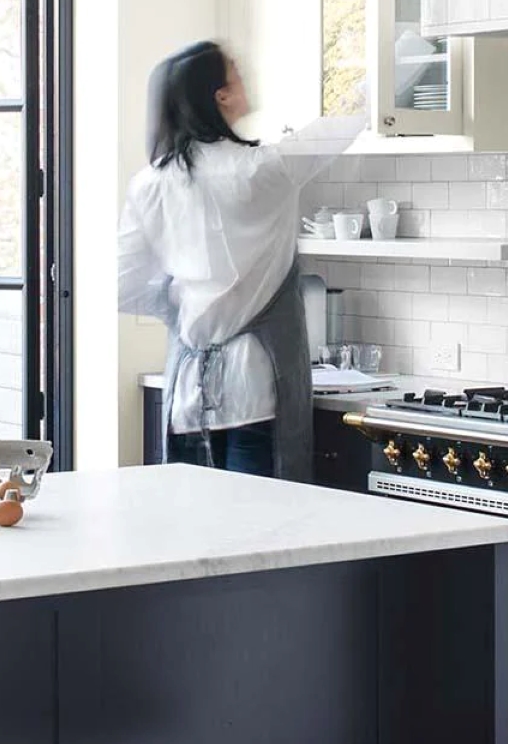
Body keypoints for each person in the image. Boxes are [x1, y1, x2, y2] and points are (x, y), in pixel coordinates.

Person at [118, 41, 348, 479]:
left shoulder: (150, 183)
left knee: (195, 530)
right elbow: (341, 126)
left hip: (187, 391)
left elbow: (122, 286)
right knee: (261, 528)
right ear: (219, 95)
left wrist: (184, 308)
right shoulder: (264, 169)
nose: (245, 77)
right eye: (236, 71)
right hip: (257, 388)